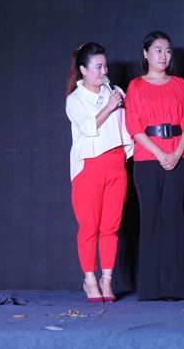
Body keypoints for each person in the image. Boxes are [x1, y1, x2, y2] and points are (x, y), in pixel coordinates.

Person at [125, 31, 184, 301]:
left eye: (167, 50)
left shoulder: (180, 85)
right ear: (145, 53)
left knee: (173, 215)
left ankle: (177, 287)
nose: (163, 56)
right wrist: (159, 153)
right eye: (157, 50)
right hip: (147, 158)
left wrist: (176, 153)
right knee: (150, 217)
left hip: (179, 156)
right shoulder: (135, 86)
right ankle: (151, 288)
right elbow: (134, 126)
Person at [65, 42, 133, 303]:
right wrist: (110, 106)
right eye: (98, 67)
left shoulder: (114, 91)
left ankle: (107, 278)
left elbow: (126, 127)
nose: (104, 71)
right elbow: (88, 128)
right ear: (83, 69)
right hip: (89, 166)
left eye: (105, 66)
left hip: (116, 163)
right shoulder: (75, 99)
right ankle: (89, 279)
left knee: (110, 226)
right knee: (89, 226)